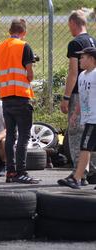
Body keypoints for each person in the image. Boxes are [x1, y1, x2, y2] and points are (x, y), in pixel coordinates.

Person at [0, 18, 40, 184]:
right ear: (24, 32)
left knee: (11, 136)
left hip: (6, 98)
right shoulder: (24, 46)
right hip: (21, 96)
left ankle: (10, 172)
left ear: (10, 31)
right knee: (24, 137)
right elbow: (30, 74)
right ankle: (21, 172)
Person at [60, 10, 96, 185]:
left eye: (69, 26)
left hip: (79, 93)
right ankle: (90, 171)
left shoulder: (75, 43)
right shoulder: (93, 41)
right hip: (91, 94)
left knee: (75, 132)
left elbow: (73, 72)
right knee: (89, 134)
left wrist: (66, 97)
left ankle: (78, 173)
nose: (70, 30)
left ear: (74, 23)